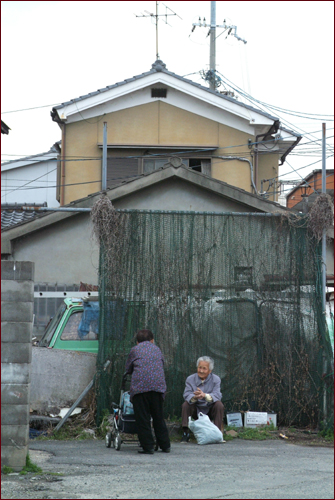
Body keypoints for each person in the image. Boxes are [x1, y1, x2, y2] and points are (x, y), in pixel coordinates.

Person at [125, 329, 171, 454]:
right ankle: (165, 445)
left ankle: (148, 446)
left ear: (137, 341)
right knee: (158, 416)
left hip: (140, 388)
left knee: (143, 418)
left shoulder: (135, 349)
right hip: (157, 387)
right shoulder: (157, 349)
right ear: (152, 340)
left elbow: (128, 368)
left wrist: (128, 372)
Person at [181, 356, 224, 442]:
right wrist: (194, 397)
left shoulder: (216, 379)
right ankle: (185, 433)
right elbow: (186, 394)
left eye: (204, 368)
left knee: (219, 405)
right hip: (196, 410)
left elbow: (217, 395)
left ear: (210, 370)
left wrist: (205, 395)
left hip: (209, 409)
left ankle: (217, 433)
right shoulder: (190, 379)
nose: (201, 371)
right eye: (200, 367)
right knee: (185, 405)